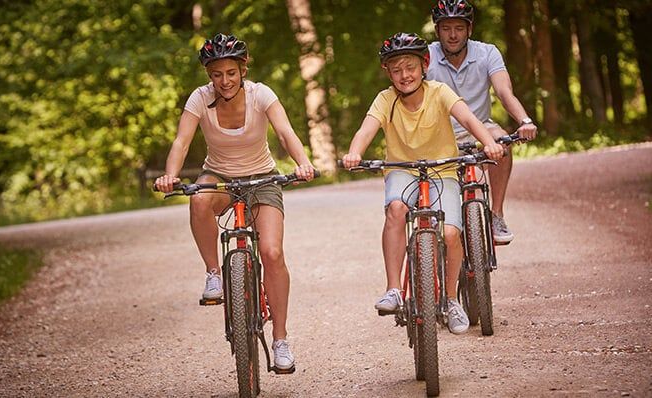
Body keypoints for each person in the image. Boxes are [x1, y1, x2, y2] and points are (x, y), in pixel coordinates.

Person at [154, 33, 315, 370]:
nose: (224, 81)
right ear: (209, 75)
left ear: (243, 69)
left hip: (262, 178)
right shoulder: (199, 99)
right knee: (198, 200)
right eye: (216, 74)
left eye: (230, 72)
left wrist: (302, 163)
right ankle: (214, 273)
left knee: (272, 253)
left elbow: (285, 132)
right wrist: (170, 175)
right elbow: (182, 141)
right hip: (220, 177)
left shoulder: (261, 95)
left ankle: (281, 340)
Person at [341, 32, 504, 334]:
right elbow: (366, 130)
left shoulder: (439, 92)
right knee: (396, 209)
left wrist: (488, 142)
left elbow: (469, 120)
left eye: (410, 67)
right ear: (387, 72)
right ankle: (393, 289)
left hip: (442, 169)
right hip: (403, 170)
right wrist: (355, 153)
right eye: (396, 69)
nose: (404, 75)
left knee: (451, 233)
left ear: (424, 65)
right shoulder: (385, 100)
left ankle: (451, 299)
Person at [427, 0, 538, 244]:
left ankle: (496, 214)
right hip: (438, 134)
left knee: (502, 143)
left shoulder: (487, 53)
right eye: (446, 28)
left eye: (459, 28)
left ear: (470, 29)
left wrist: (524, 120)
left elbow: (504, 92)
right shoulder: (426, 57)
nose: (453, 35)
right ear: (437, 31)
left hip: (480, 129)